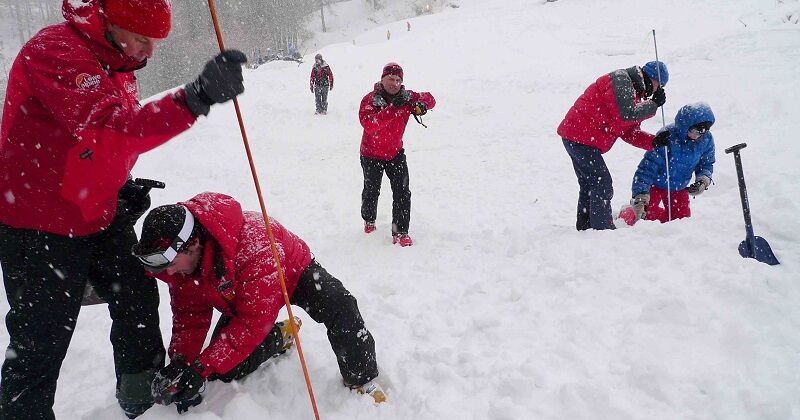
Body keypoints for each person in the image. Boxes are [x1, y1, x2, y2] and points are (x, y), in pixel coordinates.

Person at [0, 0, 247, 418]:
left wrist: (118, 183)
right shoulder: (58, 51)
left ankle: (141, 401)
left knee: (136, 298)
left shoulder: (118, 60)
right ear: (111, 22)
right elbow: (112, 130)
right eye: (143, 40)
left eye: (155, 42)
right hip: (38, 224)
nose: (149, 52)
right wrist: (193, 99)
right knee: (41, 341)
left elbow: (91, 146)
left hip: (96, 212)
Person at [130, 192, 385, 413]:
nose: (170, 274)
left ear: (193, 244)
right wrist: (182, 364)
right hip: (240, 297)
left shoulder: (255, 245)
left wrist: (199, 368)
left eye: (172, 265)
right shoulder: (183, 269)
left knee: (340, 305)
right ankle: (281, 335)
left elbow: (252, 323)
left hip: (293, 273)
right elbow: (189, 318)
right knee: (225, 368)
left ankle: (360, 379)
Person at [557, 61, 669, 231]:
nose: (658, 90)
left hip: (579, 138)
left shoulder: (634, 94)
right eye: (659, 85)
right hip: (579, 137)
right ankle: (601, 230)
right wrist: (653, 105)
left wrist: (654, 141)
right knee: (602, 184)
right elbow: (626, 115)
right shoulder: (621, 80)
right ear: (652, 78)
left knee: (590, 184)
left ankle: (586, 228)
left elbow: (628, 132)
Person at [358, 62, 436, 247]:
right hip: (371, 153)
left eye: (398, 80)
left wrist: (420, 104)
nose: (394, 83)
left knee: (402, 192)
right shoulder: (370, 99)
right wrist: (394, 108)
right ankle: (369, 220)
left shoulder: (406, 97)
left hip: (395, 153)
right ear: (382, 79)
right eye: (390, 79)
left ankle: (400, 231)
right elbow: (370, 124)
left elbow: (431, 99)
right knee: (371, 191)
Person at [619, 102, 716, 225]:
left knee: (681, 222)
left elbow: (706, 164)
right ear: (685, 126)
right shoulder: (667, 137)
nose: (698, 136)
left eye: (703, 132)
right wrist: (641, 196)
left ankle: (661, 221)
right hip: (655, 185)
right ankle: (627, 212)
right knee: (643, 218)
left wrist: (703, 181)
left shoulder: (706, 140)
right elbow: (646, 169)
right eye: (695, 131)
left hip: (679, 187)